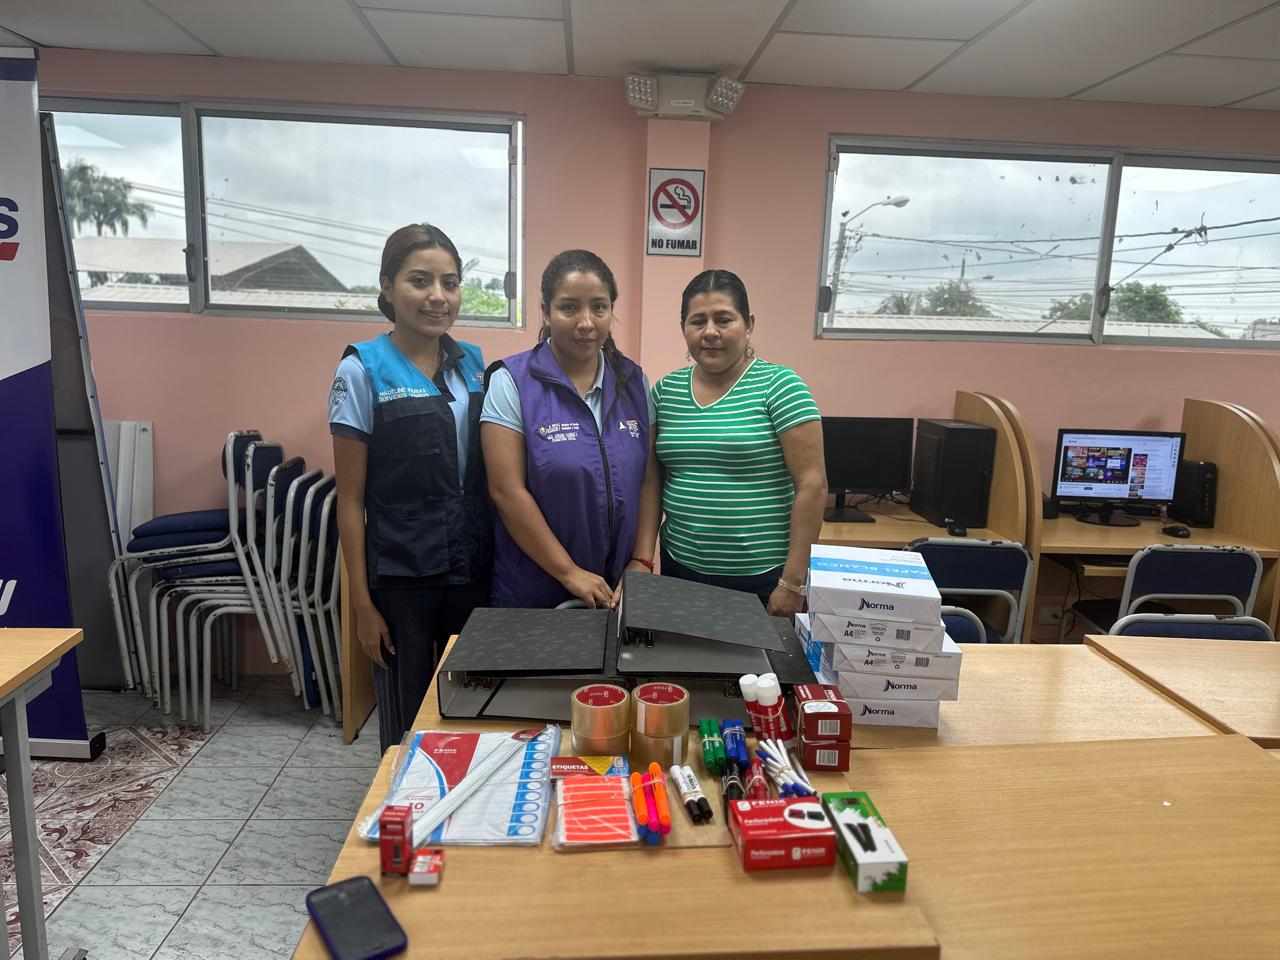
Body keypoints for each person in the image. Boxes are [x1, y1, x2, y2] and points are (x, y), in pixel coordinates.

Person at [330, 223, 491, 753]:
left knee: (470, 705)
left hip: (471, 567)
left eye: (450, 282)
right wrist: (362, 604)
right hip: (402, 579)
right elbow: (349, 500)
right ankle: (404, 803)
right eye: (420, 281)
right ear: (387, 285)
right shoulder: (361, 371)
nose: (438, 296)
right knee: (408, 719)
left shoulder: (473, 364)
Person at [482, 250, 659, 608]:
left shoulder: (634, 382)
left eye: (599, 307)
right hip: (535, 592)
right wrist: (569, 572)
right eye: (568, 307)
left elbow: (649, 478)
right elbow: (506, 491)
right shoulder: (511, 381)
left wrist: (641, 559)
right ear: (546, 312)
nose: (586, 322)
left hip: (618, 590)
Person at [648, 268, 826, 615]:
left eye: (724, 319)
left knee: (761, 656)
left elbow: (813, 485)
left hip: (763, 579)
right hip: (680, 569)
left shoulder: (781, 386)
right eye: (697, 321)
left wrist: (793, 582)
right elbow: (652, 482)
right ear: (683, 328)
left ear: (749, 324)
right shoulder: (665, 391)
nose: (710, 332)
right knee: (682, 653)